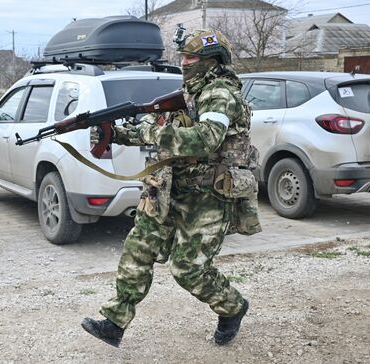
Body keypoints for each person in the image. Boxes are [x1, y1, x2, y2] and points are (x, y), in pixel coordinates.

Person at [82, 27, 261, 347]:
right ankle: (114, 322)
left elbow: (206, 139)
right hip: (166, 188)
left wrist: (154, 136)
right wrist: (115, 133)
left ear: (212, 62)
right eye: (183, 57)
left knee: (188, 269)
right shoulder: (186, 95)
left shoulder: (220, 95)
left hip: (208, 193)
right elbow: (151, 130)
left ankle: (232, 307)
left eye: (191, 57)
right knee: (139, 249)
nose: (184, 62)